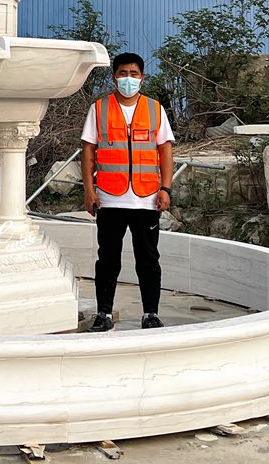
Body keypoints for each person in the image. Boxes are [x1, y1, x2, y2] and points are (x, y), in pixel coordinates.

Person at [80, 52, 175, 331]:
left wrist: (166, 188)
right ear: (114, 77)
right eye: (123, 73)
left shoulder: (155, 109)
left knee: (148, 259)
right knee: (108, 259)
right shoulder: (99, 109)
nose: (128, 79)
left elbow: (165, 150)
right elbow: (88, 150)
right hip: (110, 197)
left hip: (146, 198)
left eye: (134, 74)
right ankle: (104, 314)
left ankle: (151, 314)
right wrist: (89, 190)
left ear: (142, 78)